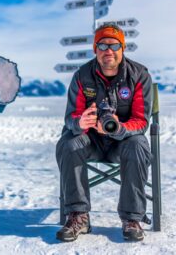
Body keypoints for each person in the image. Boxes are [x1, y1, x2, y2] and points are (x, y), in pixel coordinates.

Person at [55, 23, 152, 242]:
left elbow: (141, 121)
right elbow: (70, 117)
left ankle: (132, 218)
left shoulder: (139, 75)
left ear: (122, 48)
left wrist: (119, 128)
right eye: (102, 45)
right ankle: (78, 215)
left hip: (124, 142)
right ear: (95, 49)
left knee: (138, 145)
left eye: (114, 45)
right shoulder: (82, 75)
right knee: (69, 143)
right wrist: (80, 123)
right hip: (92, 141)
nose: (108, 50)